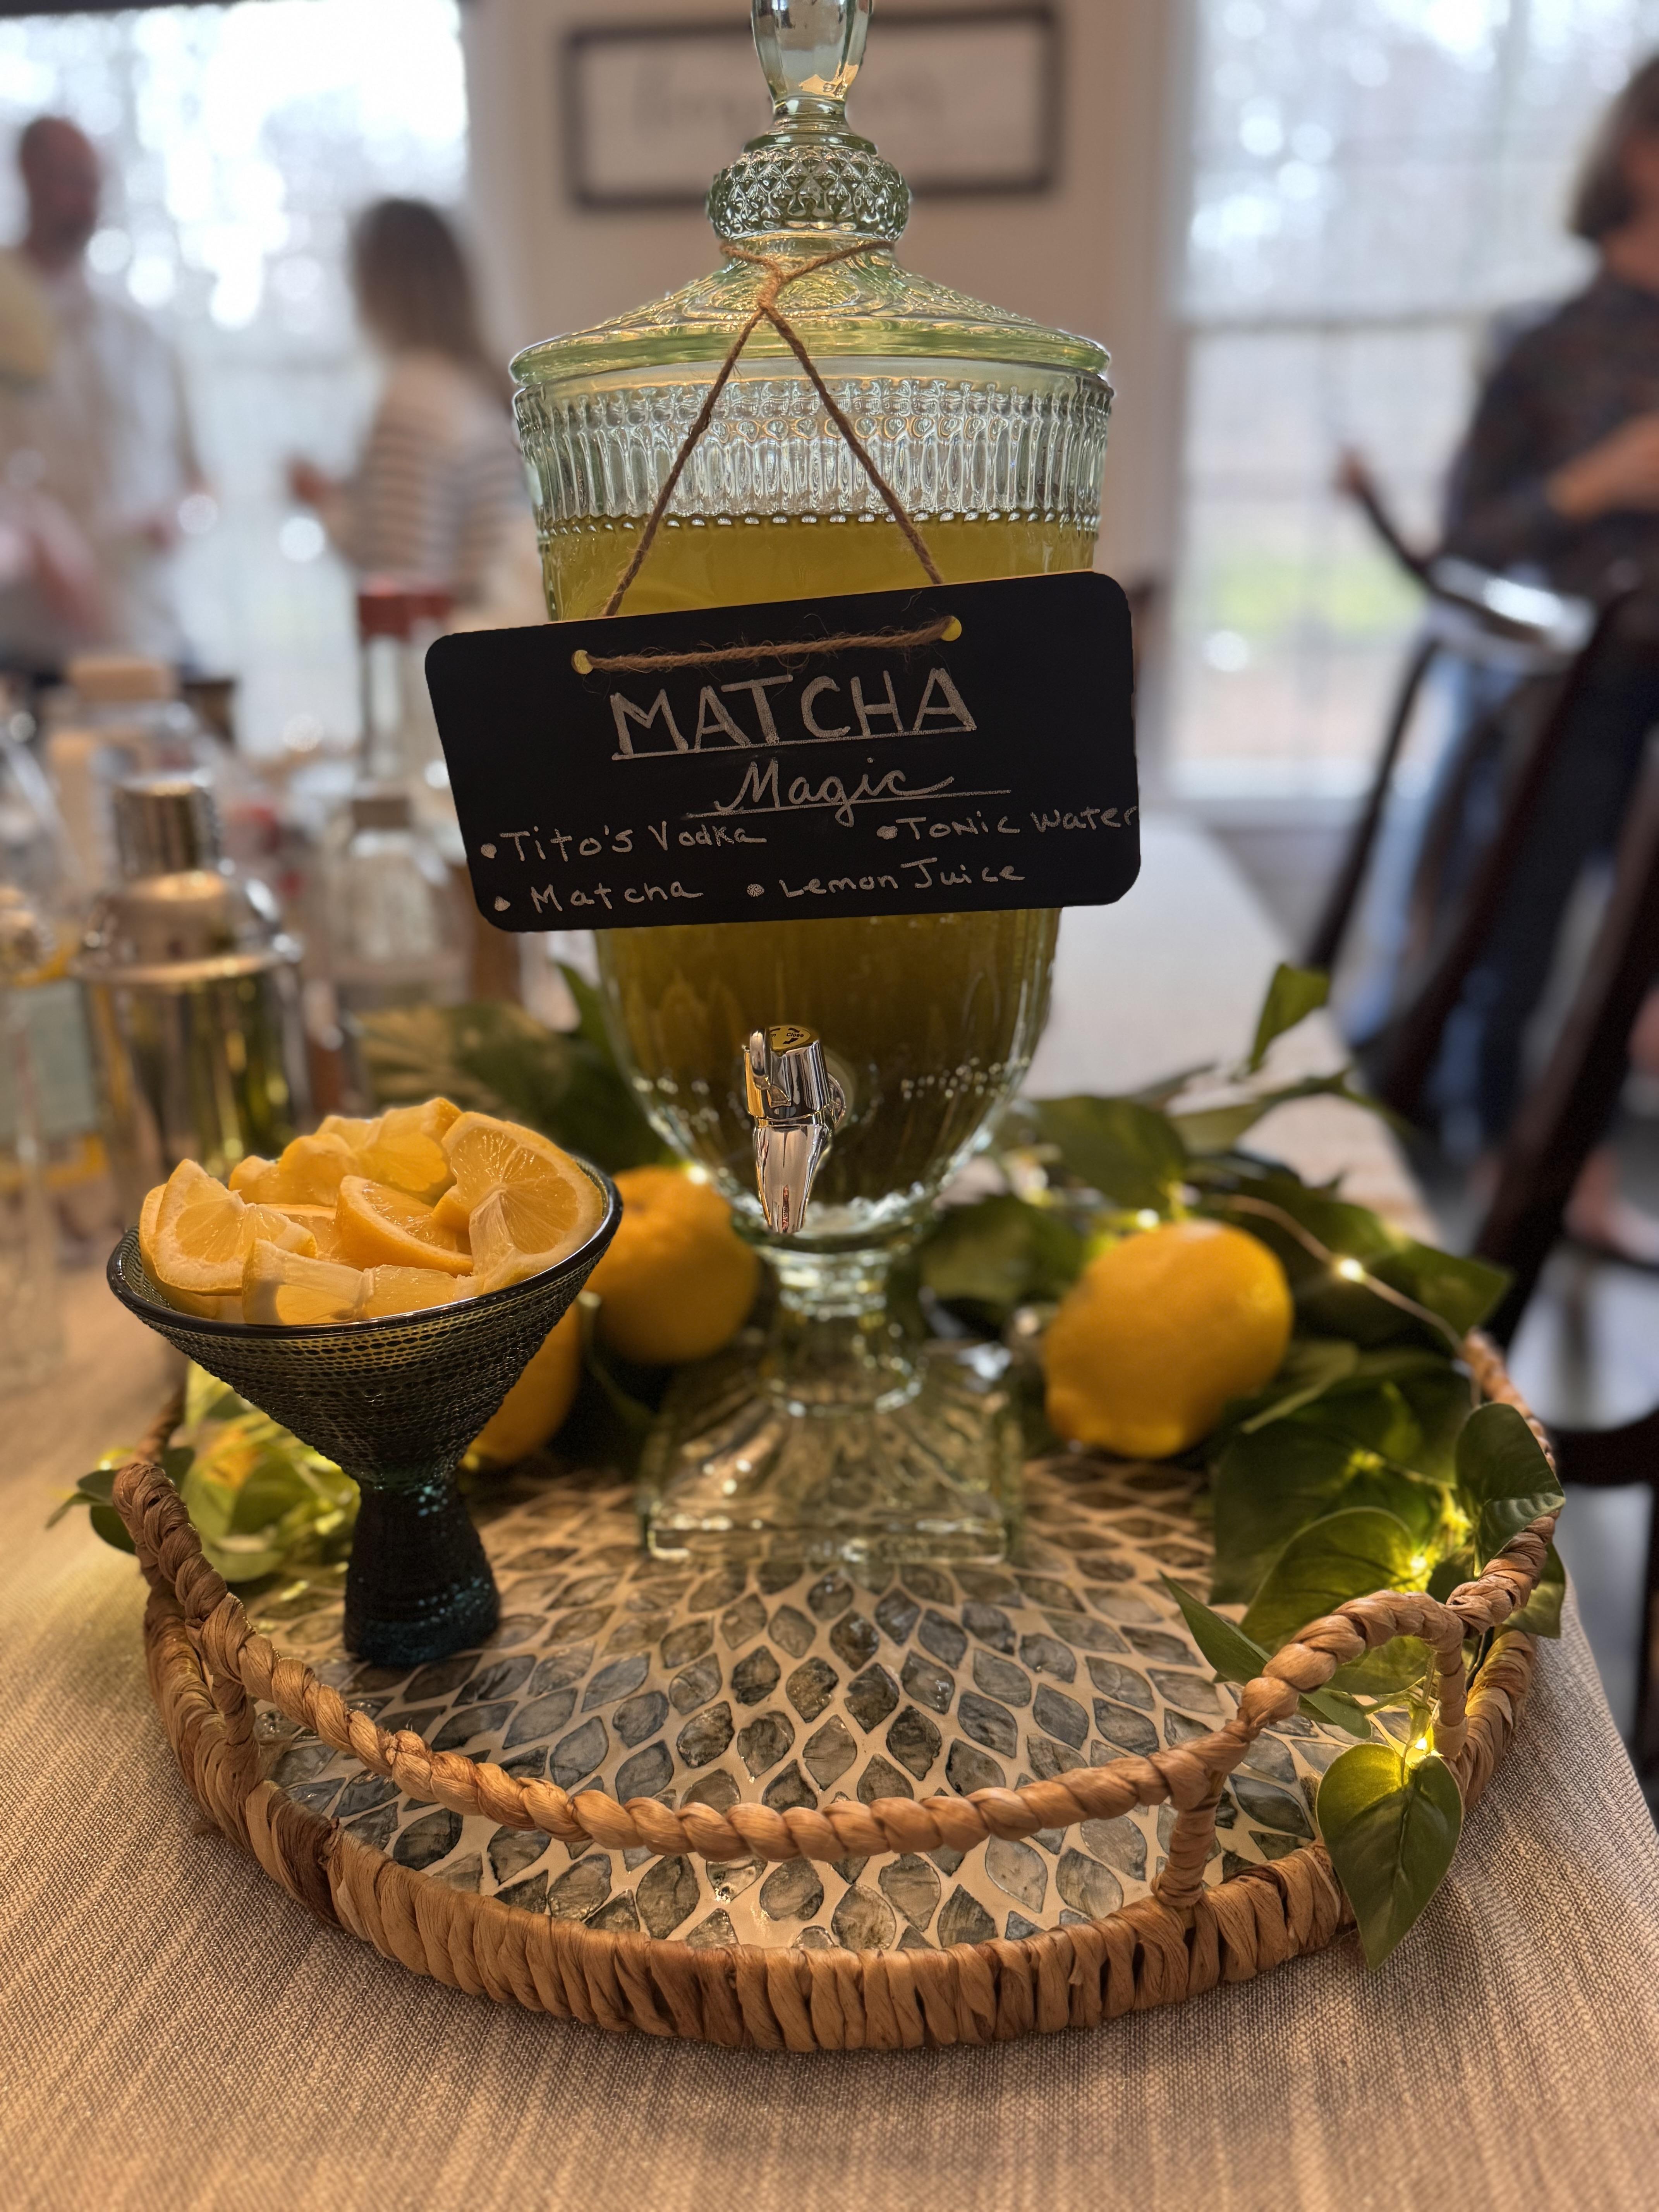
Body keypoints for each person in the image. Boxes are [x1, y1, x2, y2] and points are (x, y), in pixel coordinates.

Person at [1425, 58, 1659, 1252]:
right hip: (1577, 690)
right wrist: (1594, 483)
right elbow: (1464, 540)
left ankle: (1595, 1165)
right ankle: (1516, 1168)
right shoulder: (1543, 347)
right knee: (1523, 938)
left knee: (1630, 966)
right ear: (1640, 155)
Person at [0, 116, 205, 672]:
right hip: (32, 648)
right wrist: (31, 530)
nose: (86, 203)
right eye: (70, 180)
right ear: (28, 174)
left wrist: (179, 517)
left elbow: (200, 481)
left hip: (151, 637)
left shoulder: (142, 332)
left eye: (94, 184)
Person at [288, 199, 535, 613]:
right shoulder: (476, 385)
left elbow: (403, 582)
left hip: (453, 646)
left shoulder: (410, 401)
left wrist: (324, 503)